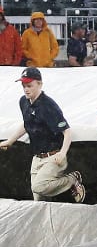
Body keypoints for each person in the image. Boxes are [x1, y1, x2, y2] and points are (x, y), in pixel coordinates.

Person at [0, 67, 86, 203]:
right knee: (39, 200)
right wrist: (10, 141)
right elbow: (27, 123)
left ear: (39, 84)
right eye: (24, 86)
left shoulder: (48, 106)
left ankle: (72, 179)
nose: (26, 89)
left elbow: (67, 131)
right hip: (37, 157)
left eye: (29, 85)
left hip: (53, 156)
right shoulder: (23, 101)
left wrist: (62, 153)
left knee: (38, 186)